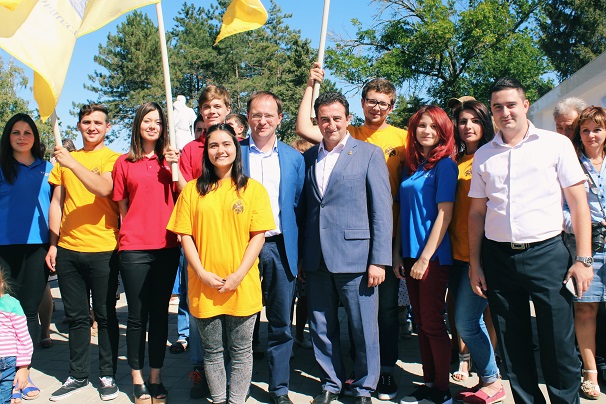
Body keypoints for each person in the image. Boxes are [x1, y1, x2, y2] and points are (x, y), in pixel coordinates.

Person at [468, 77, 593, 404]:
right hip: (498, 259)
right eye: (498, 107)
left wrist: (584, 259)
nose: (505, 112)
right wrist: (475, 264)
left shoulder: (556, 144)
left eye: (511, 104)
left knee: (558, 345)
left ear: (525, 105)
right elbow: (477, 214)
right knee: (514, 346)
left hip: (548, 255)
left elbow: (579, 204)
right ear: (492, 112)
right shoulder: (483, 155)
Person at [297, 63, 407, 401]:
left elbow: (381, 211)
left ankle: (363, 386)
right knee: (322, 326)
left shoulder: (369, 153)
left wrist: (379, 260)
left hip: (357, 260)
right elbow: (307, 209)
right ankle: (331, 383)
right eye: (324, 119)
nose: (330, 124)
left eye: (336, 118)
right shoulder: (309, 157)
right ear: (318, 122)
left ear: (347, 119)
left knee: (363, 329)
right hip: (317, 259)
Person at [167, 123, 275, 404]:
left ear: (236, 148)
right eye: (213, 145)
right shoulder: (192, 191)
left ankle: (236, 400)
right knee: (212, 352)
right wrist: (201, 273)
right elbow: (185, 235)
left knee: (241, 352)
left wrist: (238, 275)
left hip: (241, 285)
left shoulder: (253, 190)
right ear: (206, 151)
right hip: (204, 286)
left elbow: (258, 236)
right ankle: (218, 399)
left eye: (226, 144)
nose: (220, 150)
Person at [45, 104, 121, 401]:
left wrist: (72, 163)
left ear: (107, 128)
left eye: (98, 123)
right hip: (68, 250)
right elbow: (57, 203)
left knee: (105, 315)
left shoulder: (113, 158)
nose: (92, 127)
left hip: (104, 250)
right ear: (78, 126)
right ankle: (77, 375)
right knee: (77, 318)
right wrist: (53, 243)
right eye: (87, 122)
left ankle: (107, 374)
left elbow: (104, 188)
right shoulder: (65, 162)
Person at [112, 102, 183, 403]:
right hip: (134, 248)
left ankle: (156, 376)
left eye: (158, 121)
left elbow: (186, 196)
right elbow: (122, 205)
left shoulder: (172, 162)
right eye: (147, 120)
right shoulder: (123, 163)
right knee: (137, 316)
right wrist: (130, 232)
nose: (153, 126)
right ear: (138, 125)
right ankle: (137, 378)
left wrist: (174, 167)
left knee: (159, 315)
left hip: (167, 247)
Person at [239, 91, 305, 403]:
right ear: (248, 118)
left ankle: (279, 389)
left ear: (280, 118)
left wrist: (300, 254)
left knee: (281, 323)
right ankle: (238, 385)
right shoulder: (234, 153)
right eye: (256, 114)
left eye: (269, 115)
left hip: (281, 248)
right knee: (241, 322)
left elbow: (299, 207)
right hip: (242, 248)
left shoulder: (294, 158)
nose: (262, 121)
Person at [394, 106, 457, 404]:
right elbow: (402, 213)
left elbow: (445, 214)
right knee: (420, 323)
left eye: (434, 126)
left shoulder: (445, 166)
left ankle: (442, 390)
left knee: (432, 323)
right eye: (422, 125)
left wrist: (424, 258)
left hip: (432, 258)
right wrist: (398, 254)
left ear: (444, 131)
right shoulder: (412, 166)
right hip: (409, 255)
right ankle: (429, 381)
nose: (427, 131)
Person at [177, 85, 231, 399]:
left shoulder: (237, 145)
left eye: (217, 106)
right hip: (199, 240)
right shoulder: (190, 150)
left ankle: (231, 371)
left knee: (233, 308)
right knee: (199, 306)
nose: (212, 111)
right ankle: (201, 370)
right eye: (207, 107)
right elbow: (184, 191)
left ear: (227, 109)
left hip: (232, 240)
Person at [449, 101, 503, 403]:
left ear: (485, 124)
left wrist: (478, 260)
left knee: (467, 322)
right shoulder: (455, 160)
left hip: (480, 256)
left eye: (474, 120)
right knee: (466, 321)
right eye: (462, 121)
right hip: (455, 254)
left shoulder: (492, 157)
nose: (467, 126)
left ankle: (493, 381)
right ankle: (486, 380)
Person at [0, 113, 51, 400]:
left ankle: (24, 374)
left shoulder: (49, 169)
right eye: (16, 132)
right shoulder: (1, 167)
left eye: (27, 132)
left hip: (38, 247)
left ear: (35, 137)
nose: (21, 137)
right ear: (8, 137)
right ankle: (5, 376)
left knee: (28, 311)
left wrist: (55, 245)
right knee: (4, 311)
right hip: (4, 248)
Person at [564, 106, 606, 400]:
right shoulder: (572, 165)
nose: (592, 135)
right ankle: (590, 373)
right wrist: (585, 224)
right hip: (586, 246)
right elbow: (561, 209)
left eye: (597, 129)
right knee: (585, 308)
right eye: (586, 130)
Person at [0, 269, 33, 404]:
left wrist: (23, 368)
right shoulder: (12, 304)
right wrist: (23, 367)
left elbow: (23, 338)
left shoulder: (11, 304)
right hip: (8, 359)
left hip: (7, 361)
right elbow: (24, 338)